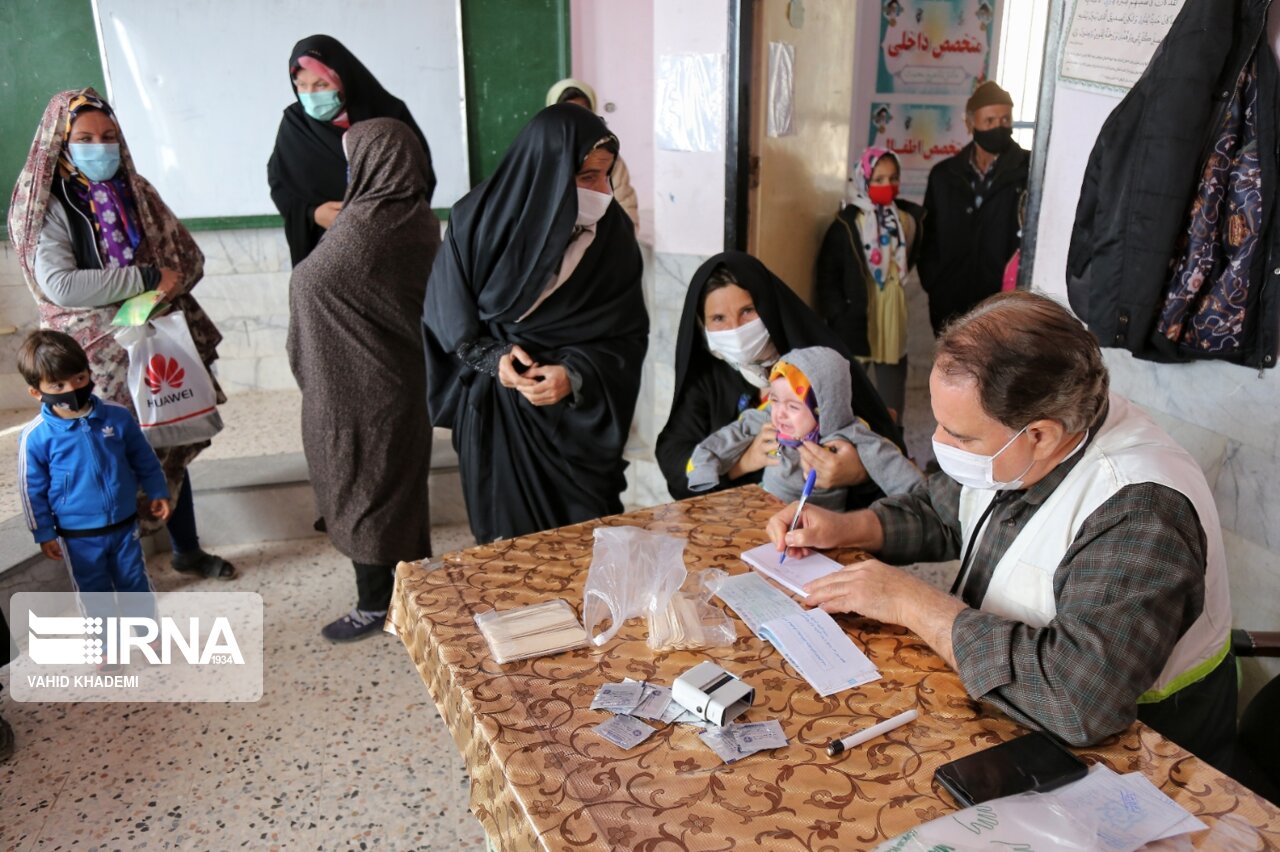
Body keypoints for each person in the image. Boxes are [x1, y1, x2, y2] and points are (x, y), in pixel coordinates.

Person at [766, 292, 1235, 768]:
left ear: (1041, 435)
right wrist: (844, 528)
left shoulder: (1140, 511)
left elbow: (1078, 701)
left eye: (961, 436)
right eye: (940, 423)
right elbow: (944, 511)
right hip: (1000, 700)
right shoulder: (1032, 429)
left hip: (1146, 756)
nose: (938, 443)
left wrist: (913, 603)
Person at [8, 89, 233, 580]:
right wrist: (148, 280)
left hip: (151, 342)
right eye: (85, 138)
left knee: (167, 437)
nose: (100, 147)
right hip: (92, 357)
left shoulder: (136, 191)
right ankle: (124, 576)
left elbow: (187, 259)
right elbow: (62, 285)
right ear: (60, 144)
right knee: (108, 457)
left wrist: (158, 287)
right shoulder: (44, 205)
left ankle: (186, 550)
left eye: (109, 137)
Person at [423, 104, 648, 545]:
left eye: (607, 175)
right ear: (547, 173)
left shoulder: (613, 236)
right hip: (498, 418)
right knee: (508, 552)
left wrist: (577, 373)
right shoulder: (478, 221)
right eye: (587, 177)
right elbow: (444, 312)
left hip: (573, 427)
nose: (602, 191)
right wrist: (494, 358)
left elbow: (626, 336)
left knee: (584, 542)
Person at [287, 118, 439, 642]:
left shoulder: (365, 225)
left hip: (354, 394)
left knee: (363, 496)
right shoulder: (417, 218)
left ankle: (377, 605)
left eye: (354, 160)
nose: (349, 171)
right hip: (394, 384)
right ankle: (412, 591)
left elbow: (310, 282)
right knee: (394, 493)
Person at [656, 251, 904, 508]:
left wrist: (857, 472)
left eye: (748, 311)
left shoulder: (819, 366)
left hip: (822, 526)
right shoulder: (708, 377)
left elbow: (891, 456)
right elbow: (673, 459)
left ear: (769, 307)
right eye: (718, 318)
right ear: (701, 324)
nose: (736, 329)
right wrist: (740, 464)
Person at [17, 330, 171, 602]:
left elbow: (143, 457)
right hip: (77, 534)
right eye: (58, 386)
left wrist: (157, 489)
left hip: (124, 524)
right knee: (93, 591)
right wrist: (43, 531)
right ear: (35, 392)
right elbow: (32, 490)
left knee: (135, 582)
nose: (72, 389)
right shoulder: (36, 437)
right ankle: (102, 643)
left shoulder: (118, 416)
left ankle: (149, 636)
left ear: (89, 372)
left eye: (79, 378)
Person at [268, 34, 436, 267]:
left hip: (391, 251)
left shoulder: (388, 115)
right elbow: (280, 184)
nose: (311, 95)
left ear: (343, 78)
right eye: (302, 85)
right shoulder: (295, 125)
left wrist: (371, 223)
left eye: (321, 84)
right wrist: (313, 214)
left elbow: (418, 178)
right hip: (325, 254)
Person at [687, 346, 921, 509]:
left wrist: (924, 503)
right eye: (775, 400)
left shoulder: (846, 436)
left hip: (819, 527)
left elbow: (893, 467)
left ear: (823, 408)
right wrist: (704, 467)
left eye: (793, 406)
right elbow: (731, 435)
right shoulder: (769, 420)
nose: (779, 414)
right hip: (766, 511)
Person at [815, 147, 924, 422]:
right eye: (878, 179)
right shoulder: (847, 223)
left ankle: (892, 435)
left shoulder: (905, 220)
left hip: (892, 308)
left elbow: (910, 255)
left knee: (891, 387)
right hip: (859, 312)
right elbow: (828, 274)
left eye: (892, 178)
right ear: (863, 180)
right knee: (852, 387)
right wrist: (839, 313)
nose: (887, 186)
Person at [918, 81, 1028, 335]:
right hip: (950, 301)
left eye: (1005, 119)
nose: (998, 127)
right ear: (970, 124)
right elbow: (928, 235)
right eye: (989, 121)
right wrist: (934, 280)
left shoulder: (1027, 169)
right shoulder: (944, 175)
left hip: (1003, 305)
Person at [546, 78, 640, 229]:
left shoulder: (607, 159)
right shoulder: (543, 158)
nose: (576, 121)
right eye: (567, 113)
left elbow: (626, 209)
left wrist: (622, 241)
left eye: (583, 112)